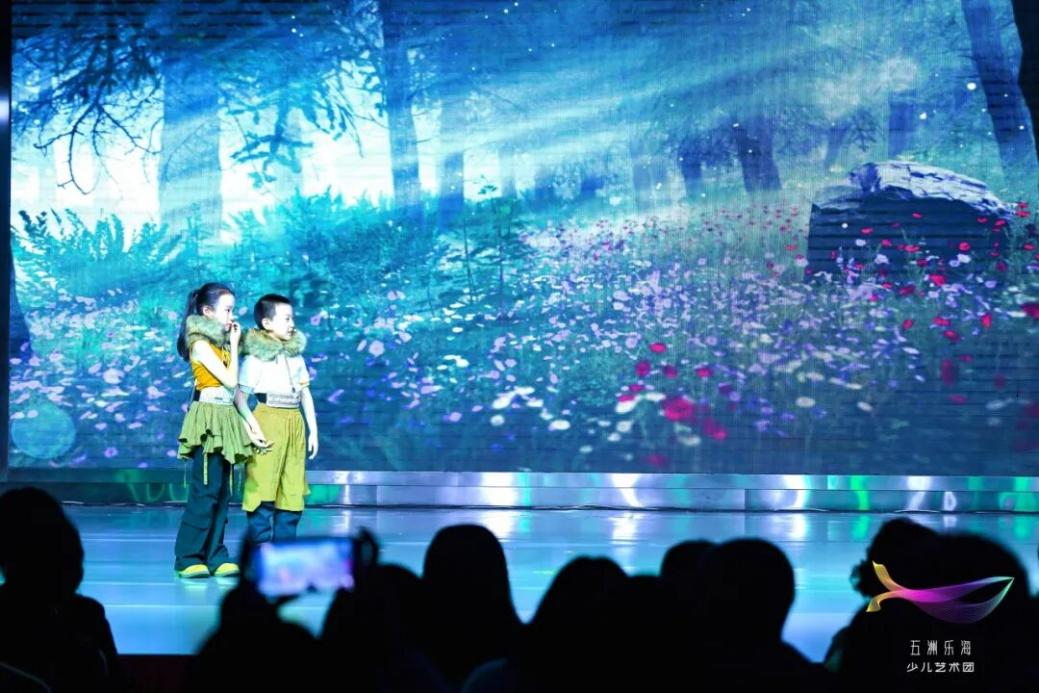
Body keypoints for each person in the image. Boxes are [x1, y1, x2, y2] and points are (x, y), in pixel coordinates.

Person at [173, 282, 267, 579]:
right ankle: (188, 557)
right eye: (227, 310)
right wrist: (236, 346)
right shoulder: (199, 343)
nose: (232, 316)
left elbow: (235, 393)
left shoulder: (223, 344)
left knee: (223, 492)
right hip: (208, 418)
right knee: (205, 489)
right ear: (207, 311)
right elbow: (228, 379)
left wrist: (251, 423)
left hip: (227, 416)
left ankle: (215, 554)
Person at [237, 293, 318, 543]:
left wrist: (313, 431)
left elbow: (305, 394)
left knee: (292, 486)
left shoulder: (296, 357)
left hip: (294, 421)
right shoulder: (254, 359)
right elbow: (240, 397)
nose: (292, 323)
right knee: (262, 483)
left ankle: (285, 548)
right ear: (267, 323)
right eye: (286, 318)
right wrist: (250, 428)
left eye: (292, 318)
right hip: (267, 419)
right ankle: (260, 549)